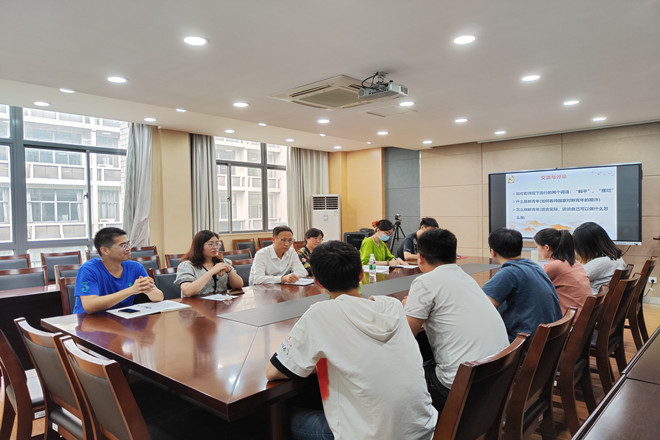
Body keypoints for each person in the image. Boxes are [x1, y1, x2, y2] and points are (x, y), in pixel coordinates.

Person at [266, 241, 437, 440]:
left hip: (370, 436)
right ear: (361, 274)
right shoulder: (393, 306)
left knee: (279, 419)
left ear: (318, 282)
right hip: (424, 430)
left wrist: (325, 361)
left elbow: (273, 372)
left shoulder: (320, 314)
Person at [404, 228, 509, 412]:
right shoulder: (466, 278)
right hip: (497, 379)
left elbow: (405, 335)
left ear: (420, 257)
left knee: (405, 378)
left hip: (461, 387)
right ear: (455, 255)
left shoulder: (425, 282)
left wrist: (405, 309)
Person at [481, 228, 562, 342]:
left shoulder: (509, 272)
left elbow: (482, 306)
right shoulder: (534, 266)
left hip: (524, 344)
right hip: (548, 340)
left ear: (493, 252)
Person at [73, 227, 164, 314]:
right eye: (123, 246)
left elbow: (159, 296)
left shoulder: (135, 267)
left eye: (128, 244)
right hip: (89, 321)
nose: (129, 248)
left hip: (120, 318)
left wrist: (148, 290)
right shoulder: (88, 270)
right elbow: (90, 306)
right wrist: (132, 290)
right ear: (104, 250)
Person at [533, 228, 592, 315]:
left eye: (537, 246)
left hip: (569, 319)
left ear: (546, 247)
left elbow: (533, 288)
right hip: (582, 315)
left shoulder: (554, 266)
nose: (537, 249)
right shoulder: (574, 262)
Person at [174, 230, 243, 296]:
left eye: (217, 244)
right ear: (199, 246)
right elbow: (187, 291)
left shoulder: (222, 262)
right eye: (210, 244)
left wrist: (228, 270)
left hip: (220, 302)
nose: (215, 247)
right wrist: (212, 271)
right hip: (196, 303)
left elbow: (239, 285)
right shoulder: (187, 265)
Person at [573, 222, 626, 294]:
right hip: (600, 297)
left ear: (587, 246)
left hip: (593, 298)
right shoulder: (614, 257)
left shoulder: (601, 262)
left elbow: (574, 277)